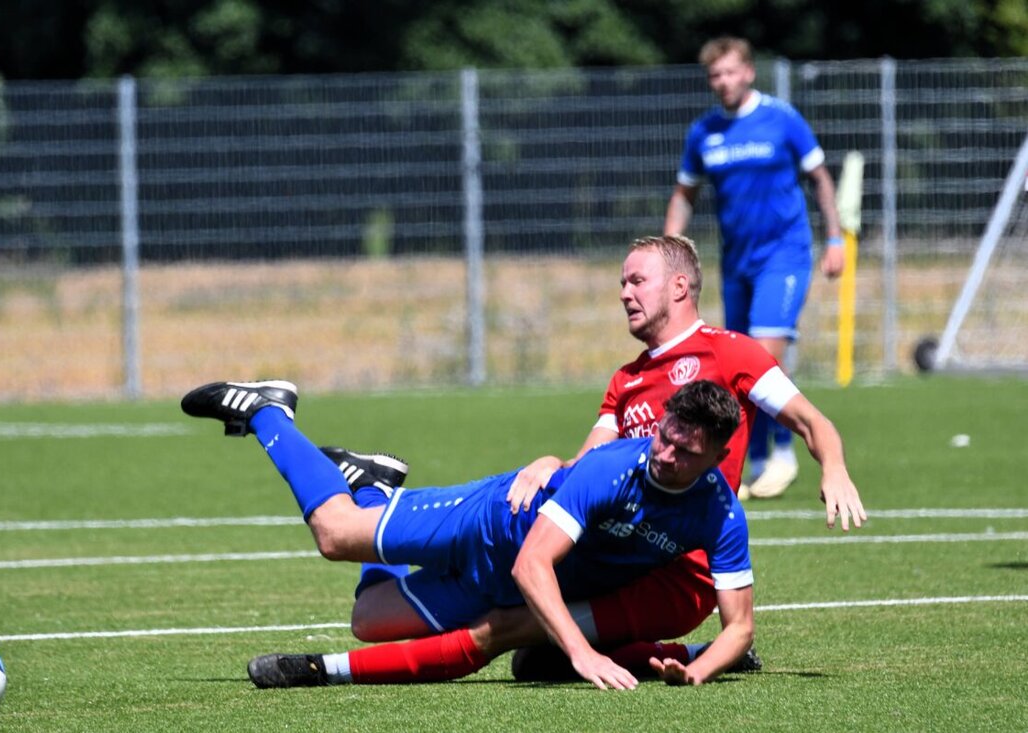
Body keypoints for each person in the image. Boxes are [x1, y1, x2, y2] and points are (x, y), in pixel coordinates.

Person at [303, 234, 863, 686]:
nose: (624, 292)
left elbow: (812, 421)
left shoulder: (731, 351)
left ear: (680, 286)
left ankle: (323, 672)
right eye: (621, 282)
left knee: (503, 629)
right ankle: (612, 651)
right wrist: (550, 462)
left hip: (684, 571)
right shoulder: (626, 379)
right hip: (616, 555)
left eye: (636, 280)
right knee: (417, 629)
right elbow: (591, 462)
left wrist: (832, 466)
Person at [181, 377, 752, 690]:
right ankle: (267, 409)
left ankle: (376, 484)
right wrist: (580, 653)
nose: (666, 455)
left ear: (718, 458)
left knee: (368, 620)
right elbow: (534, 564)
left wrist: (696, 672)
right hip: (487, 524)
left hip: (505, 586)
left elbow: (740, 627)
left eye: (685, 452)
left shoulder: (719, 514)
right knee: (335, 533)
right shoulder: (614, 469)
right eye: (666, 437)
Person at [664, 36, 845, 499]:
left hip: (784, 256)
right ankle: (753, 459)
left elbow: (820, 179)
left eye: (730, 72)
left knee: (764, 354)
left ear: (749, 72)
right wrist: (668, 253)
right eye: (715, 75)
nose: (723, 82)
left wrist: (834, 238)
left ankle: (784, 451)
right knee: (737, 365)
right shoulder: (704, 132)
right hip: (736, 263)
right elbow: (685, 194)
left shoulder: (782, 119)